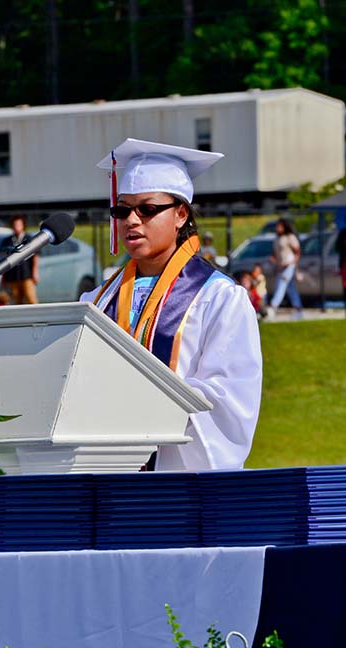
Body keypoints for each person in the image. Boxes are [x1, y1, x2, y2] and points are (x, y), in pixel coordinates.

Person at [81, 137, 262, 471]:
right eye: (123, 210)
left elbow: (227, 399)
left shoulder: (219, 298)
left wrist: (138, 399)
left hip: (178, 479)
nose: (132, 221)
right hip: (108, 477)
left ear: (181, 214)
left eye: (147, 209)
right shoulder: (96, 301)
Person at [0, 214, 40, 304]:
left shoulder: (28, 239)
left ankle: (37, 317)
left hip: (26, 275)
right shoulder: (7, 241)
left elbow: (35, 256)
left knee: (31, 299)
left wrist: (35, 272)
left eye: (18, 225)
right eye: (15, 225)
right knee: (16, 301)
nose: (16, 227)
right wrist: (3, 277)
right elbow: (3, 260)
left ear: (23, 225)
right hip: (12, 276)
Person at [267, 218, 303, 320]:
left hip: (289, 266)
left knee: (281, 285)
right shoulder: (277, 239)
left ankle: (273, 306)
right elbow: (275, 254)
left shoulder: (290, 237)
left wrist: (293, 263)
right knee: (291, 288)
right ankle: (298, 308)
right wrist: (273, 260)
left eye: (280, 226)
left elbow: (297, 252)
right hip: (280, 266)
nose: (277, 228)